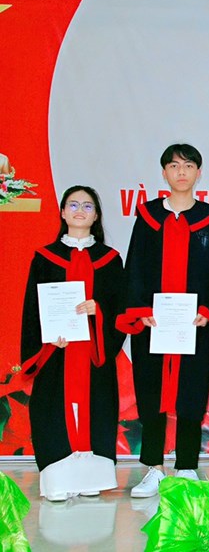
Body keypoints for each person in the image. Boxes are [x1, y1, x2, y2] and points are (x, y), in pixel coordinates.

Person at [117, 144, 209, 498]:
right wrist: (140, 310)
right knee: (151, 394)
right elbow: (135, 266)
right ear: (164, 173)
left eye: (189, 165)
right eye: (174, 166)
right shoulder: (147, 216)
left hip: (193, 324)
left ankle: (186, 466)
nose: (182, 172)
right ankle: (154, 468)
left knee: (192, 394)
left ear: (199, 173)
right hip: (154, 324)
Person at [20, 186, 125, 501]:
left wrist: (98, 311)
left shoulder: (110, 260)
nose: (80, 211)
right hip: (57, 352)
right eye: (74, 205)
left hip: (93, 351)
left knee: (95, 410)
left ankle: (92, 478)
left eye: (88, 206)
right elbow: (32, 310)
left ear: (96, 216)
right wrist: (49, 338)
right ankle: (57, 482)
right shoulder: (44, 258)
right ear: (63, 212)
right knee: (55, 411)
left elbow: (120, 310)